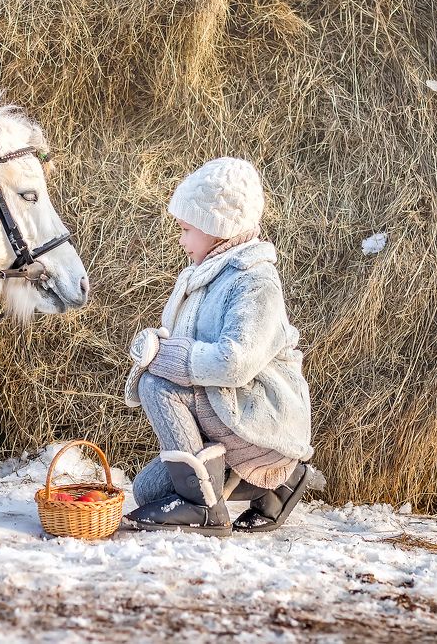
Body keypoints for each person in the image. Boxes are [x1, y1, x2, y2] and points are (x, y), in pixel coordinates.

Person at [122, 157, 324, 537]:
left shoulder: (254, 280)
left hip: (256, 411)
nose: (180, 240)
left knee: (155, 385)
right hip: (221, 408)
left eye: (186, 229)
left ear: (218, 227)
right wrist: (159, 346)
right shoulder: (197, 277)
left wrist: (164, 357)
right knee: (146, 490)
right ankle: (279, 480)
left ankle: (204, 508)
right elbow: (181, 341)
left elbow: (235, 361)